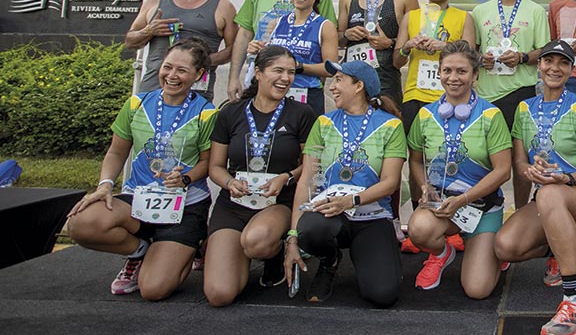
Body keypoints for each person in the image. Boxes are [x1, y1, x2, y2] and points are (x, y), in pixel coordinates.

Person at [66, 39, 217, 300]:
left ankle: (190, 245)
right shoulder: (136, 103)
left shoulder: (206, 112)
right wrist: (105, 185)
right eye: (167, 67)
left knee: (154, 290)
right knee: (80, 224)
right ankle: (138, 251)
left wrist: (185, 178)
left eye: (182, 70)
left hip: (184, 205)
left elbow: (208, 162)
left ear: (198, 75)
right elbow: (116, 152)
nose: (171, 75)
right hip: (137, 200)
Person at [494, 40, 576, 335]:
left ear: (571, 70)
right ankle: (558, 247)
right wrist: (528, 172)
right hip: (548, 199)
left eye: (563, 63)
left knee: (548, 194)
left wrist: (566, 178)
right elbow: (519, 163)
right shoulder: (524, 108)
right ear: (539, 65)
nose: (554, 68)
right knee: (505, 246)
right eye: (548, 61)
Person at [285, 60, 407, 306]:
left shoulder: (390, 125)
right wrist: (293, 238)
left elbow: (390, 183)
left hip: (372, 215)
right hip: (330, 214)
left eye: (339, 80)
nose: (332, 87)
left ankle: (377, 256)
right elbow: (307, 180)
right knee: (310, 228)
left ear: (359, 86)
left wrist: (350, 201)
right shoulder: (323, 123)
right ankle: (329, 261)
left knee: (383, 295)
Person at [203, 45, 315, 307]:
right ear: (258, 73)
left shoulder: (302, 113)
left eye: (291, 72)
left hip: (277, 202)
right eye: (278, 70)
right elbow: (215, 166)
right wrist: (229, 182)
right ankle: (239, 255)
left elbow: (310, 166)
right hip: (234, 204)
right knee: (219, 295)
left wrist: (286, 176)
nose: (285, 78)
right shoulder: (230, 112)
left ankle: (273, 252)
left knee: (256, 241)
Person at [406, 40, 512, 298]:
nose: (453, 78)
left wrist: (463, 199)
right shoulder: (425, 115)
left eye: (461, 71)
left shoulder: (491, 115)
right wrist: (424, 186)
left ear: (475, 75)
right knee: (419, 229)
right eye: (447, 70)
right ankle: (442, 253)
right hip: (443, 206)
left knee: (477, 290)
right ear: (439, 73)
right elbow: (416, 160)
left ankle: (490, 249)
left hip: (482, 207)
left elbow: (503, 171)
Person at [394, 0, 475, 250]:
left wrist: (445, 48)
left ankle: (454, 225)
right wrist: (409, 45)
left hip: (450, 97)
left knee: (453, 154)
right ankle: (421, 219)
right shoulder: (412, 17)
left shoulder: (463, 17)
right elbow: (397, 60)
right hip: (416, 94)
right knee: (416, 157)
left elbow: (471, 55)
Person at [472, 0, 550, 208]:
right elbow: (471, 50)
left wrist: (522, 57)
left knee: (520, 160)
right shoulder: (479, 11)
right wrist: (480, 59)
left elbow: (544, 51)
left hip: (521, 93)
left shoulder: (536, 11)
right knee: (484, 157)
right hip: (487, 95)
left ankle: (520, 211)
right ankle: (485, 209)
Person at [228, 0, 337, 100]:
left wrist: (314, 86)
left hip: (305, 88)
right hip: (264, 82)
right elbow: (244, 35)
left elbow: (326, 50)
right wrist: (233, 78)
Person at [125, 0, 238, 102]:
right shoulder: (155, 0)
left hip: (196, 96)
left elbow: (235, 49)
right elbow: (130, 42)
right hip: (152, 91)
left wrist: (202, 61)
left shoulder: (224, 7)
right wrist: (148, 31)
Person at [338, 0, 418, 109]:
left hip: (386, 80)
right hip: (352, 79)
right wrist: (347, 34)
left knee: (387, 123)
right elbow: (338, 39)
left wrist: (389, 43)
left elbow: (415, 40)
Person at [245, 0, 339, 115]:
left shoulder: (325, 26)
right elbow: (266, 57)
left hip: (307, 92)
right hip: (277, 90)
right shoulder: (275, 23)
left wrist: (299, 67)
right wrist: (254, 50)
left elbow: (331, 68)